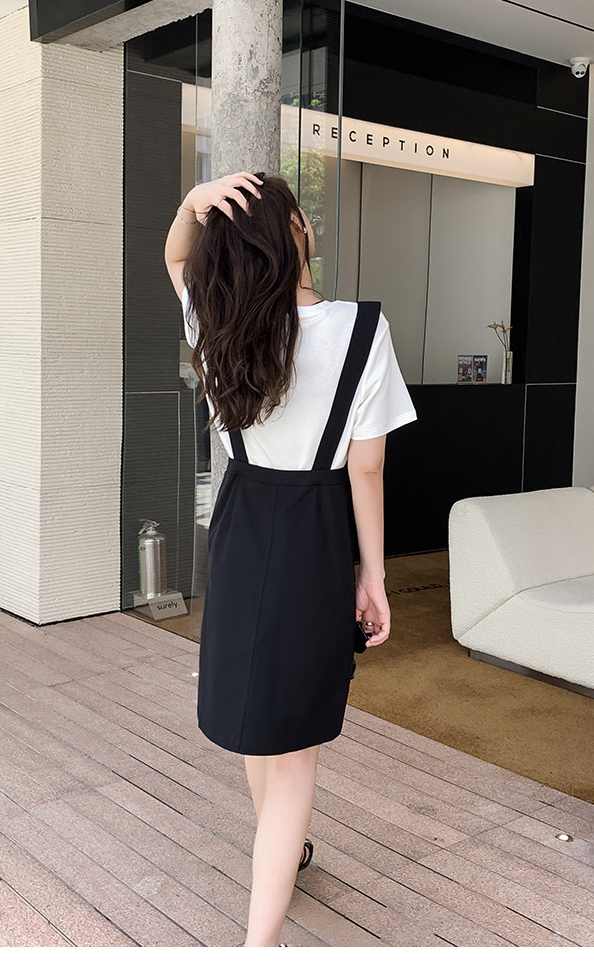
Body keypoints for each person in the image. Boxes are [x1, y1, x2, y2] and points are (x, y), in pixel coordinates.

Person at [164, 171, 417, 947]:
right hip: (316, 534)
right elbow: (367, 467)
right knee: (297, 752)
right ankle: (260, 946)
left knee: (260, 721)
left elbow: (174, 258)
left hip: (242, 525)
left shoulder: (219, 320)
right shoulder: (360, 329)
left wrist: (193, 203)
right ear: (299, 233)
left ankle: (284, 851)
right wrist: (373, 576)